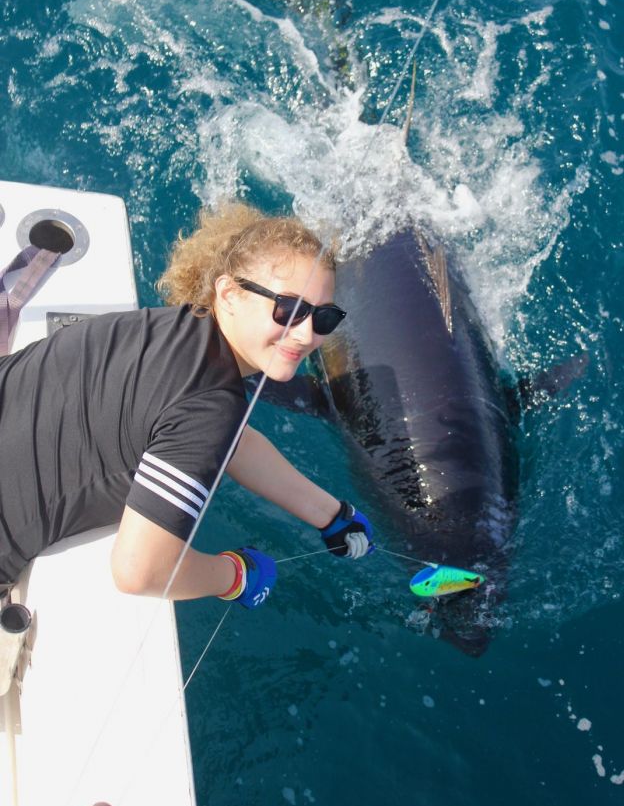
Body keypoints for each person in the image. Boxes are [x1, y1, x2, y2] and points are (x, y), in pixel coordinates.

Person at [0, 202, 373, 607]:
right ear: (229, 293)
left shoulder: (165, 327)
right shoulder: (210, 404)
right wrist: (235, 575)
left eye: (324, 318)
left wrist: (332, 514)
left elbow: (230, 440)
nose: (306, 335)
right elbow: (141, 571)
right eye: (289, 309)